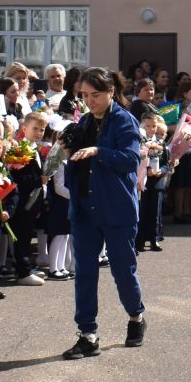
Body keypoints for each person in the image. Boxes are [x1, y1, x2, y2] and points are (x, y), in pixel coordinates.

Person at [61, 67, 147, 360]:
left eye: (95, 95)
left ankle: (136, 317)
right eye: (84, 95)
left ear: (111, 92)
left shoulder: (125, 120)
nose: (89, 101)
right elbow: (76, 160)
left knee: (123, 271)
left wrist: (99, 151)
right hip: (85, 209)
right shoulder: (84, 121)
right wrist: (67, 146)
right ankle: (87, 334)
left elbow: (130, 159)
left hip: (116, 208)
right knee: (84, 272)